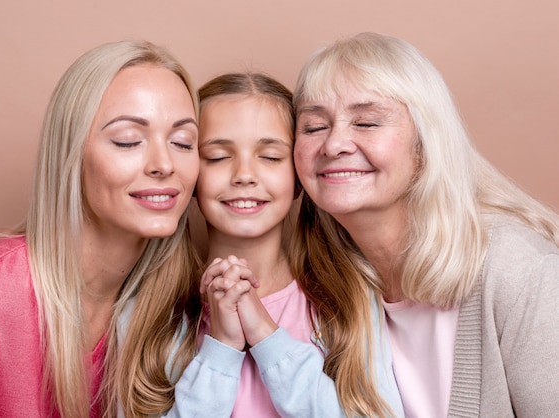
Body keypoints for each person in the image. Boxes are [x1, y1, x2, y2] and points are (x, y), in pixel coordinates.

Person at [291, 31, 559, 417]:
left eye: (366, 123)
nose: (334, 145)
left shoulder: (520, 272)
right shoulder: (327, 284)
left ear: (425, 143)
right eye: (314, 127)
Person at [0, 40, 201, 418]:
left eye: (182, 142)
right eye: (128, 141)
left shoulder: (179, 308)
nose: (164, 164)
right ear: (70, 154)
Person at [170, 72, 402, 417]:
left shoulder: (347, 298)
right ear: (189, 175)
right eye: (218, 157)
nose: (244, 175)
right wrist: (220, 348)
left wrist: (267, 337)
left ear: (298, 178)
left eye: (271, 157)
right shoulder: (155, 311)